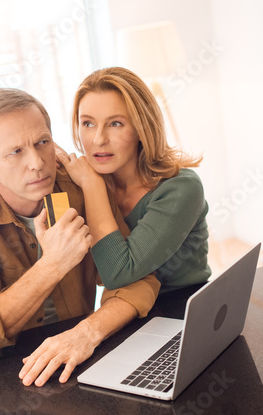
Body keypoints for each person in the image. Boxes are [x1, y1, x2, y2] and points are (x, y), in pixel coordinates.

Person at [0, 88, 160, 387]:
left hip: (82, 356)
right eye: (16, 151)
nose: (37, 163)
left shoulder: (81, 188)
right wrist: (52, 265)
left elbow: (138, 281)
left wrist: (87, 332)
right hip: (9, 377)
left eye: (42, 143)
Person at [56, 67, 212, 293]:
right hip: (123, 313)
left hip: (183, 310)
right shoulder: (84, 180)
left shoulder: (181, 188)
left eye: (115, 123)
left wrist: (93, 186)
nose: (99, 139)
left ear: (141, 127)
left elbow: (118, 273)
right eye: (88, 123)